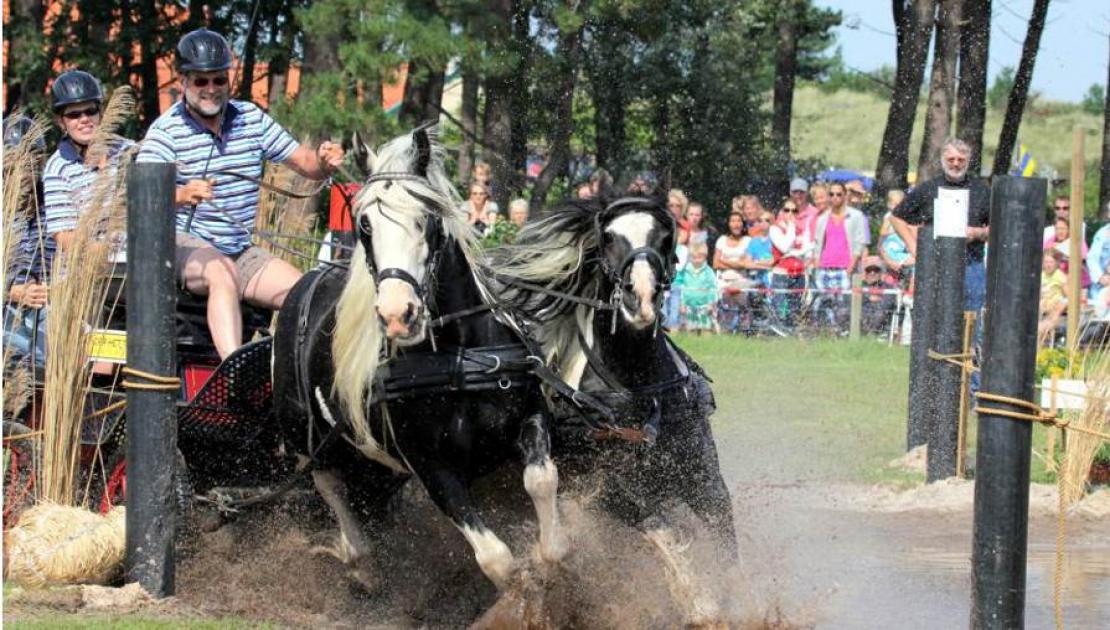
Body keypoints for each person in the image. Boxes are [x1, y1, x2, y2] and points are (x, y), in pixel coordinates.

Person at [136, 28, 344, 359]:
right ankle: (235, 370)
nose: (210, 89)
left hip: (238, 248)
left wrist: (323, 159)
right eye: (201, 81)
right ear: (183, 81)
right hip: (182, 245)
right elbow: (141, 200)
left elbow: (305, 163)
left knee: (307, 291)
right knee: (222, 274)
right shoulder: (165, 132)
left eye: (218, 80)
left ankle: (292, 375)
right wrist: (181, 194)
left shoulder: (250, 118)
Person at [890, 138, 990, 313]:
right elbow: (896, 218)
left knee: (972, 316)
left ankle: (971, 342)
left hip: (971, 263)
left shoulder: (981, 190)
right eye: (951, 159)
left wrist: (978, 233)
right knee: (934, 316)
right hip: (935, 263)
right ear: (943, 160)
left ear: (968, 161)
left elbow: (998, 227)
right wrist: (914, 248)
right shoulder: (928, 188)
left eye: (961, 160)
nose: (956, 164)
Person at [44, 70, 135, 255]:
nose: (84, 119)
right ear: (61, 122)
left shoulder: (129, 151)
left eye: (90, 111)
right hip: (88, 269)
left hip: (136, 258)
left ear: (100, 113)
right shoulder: (57, 168)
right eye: (74, 115)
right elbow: (65, 237)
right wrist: (107, 255)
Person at [4, 116, 51, 368]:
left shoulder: (50, 205)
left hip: (45, 308)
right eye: (16, 161)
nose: (25, 170)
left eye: (32, 161)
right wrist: (13, 293)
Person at [813, 182, 868, 331]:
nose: (835, 197)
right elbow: (818, 243)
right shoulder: (822, 218)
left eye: (839, 194)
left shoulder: (856, 216)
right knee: (825, 304)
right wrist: (816, 262)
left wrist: (852, 264)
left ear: (845, 196)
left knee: (844, 304)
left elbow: (860, 241)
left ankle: (845, 332)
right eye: (831, 194)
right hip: (825, 266)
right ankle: (828, 332)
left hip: (845, 267)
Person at [768, 199, 812, 327]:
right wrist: (792, 227)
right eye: (787, 210)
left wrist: (793, 253)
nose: (791, 213)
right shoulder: (774, 228)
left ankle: (792, 332)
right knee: (779, 306)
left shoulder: (800, 230)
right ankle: (778, 331)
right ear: (782, 212)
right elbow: (785, 247)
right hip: (781, 274)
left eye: (794, 210)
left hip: (800, 273)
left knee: (796, 308)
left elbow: (808, 249)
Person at [713, 212, 749, 332]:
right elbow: (715, 263)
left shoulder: (747, 241)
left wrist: (724, 260)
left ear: (742, 224)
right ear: (729, 224)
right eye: (733, 221)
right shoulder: (721, 240)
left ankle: (743, 328)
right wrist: (736, 263)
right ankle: (724, 329)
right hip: (723, 280)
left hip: (741, 280)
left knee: (741, 298)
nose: (736, 224)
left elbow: (745, 264)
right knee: (723, 299)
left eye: (739, 221)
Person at [674, 243, 718, 334]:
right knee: (691, 328)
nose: (696, 260)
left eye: (699, 257)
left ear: (705, 257)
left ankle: (706, 343)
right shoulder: (685, 271)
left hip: (704, 305)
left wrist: (711, 303)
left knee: (705, 327)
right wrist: (683, 303)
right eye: (694, 257)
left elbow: (713, 288)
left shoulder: (708, 271)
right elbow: (683, 288)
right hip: (690, 304)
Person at [878, 189, 915, 286]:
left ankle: (909, 291)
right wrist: (895, 229)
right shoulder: (889, 217)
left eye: (900, 204)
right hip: (891, 249)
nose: (897, 207)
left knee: (913, 266)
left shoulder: (906, 218)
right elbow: (883, 233)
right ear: (889, 205)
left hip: (900, 249)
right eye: (894, 204)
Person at [1043, 216, 1088, 288]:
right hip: (1054, 278)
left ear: (1069, 229)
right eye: (1057, 229)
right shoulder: (1050, 241)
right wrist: (1052, 250)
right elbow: (1044, 258)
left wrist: (1065, 251)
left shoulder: (1077, 240)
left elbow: (1082, 259)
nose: (1060, 232)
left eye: (1063, 229)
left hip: (1074, 279)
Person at [860, 256, 898, 336]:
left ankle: (870, 337)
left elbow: (887, 304)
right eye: (869, 270)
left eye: (876, 270)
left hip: (879, 319)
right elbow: (850, 301)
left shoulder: (888, 288)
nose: (872, 273)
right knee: (843, 312)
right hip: (861, 316)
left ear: (881, 273)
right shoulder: (859, 286)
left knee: (880, 314)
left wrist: (867, 299)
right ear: (865, 273)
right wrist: (869, 298)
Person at [1039, 251, 1069, 345]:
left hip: (1055, 313)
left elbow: (1069, 297)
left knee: (1041, 329)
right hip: (1041, 310)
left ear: (1056, 263)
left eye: (1050, 262)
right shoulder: (1041, 276)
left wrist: (1059, 306)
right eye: (1046, 262)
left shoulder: (1060, 277)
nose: (1048, 265)